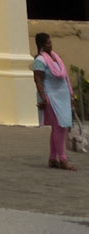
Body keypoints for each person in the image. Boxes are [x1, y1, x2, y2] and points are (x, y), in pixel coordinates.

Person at [33, 31, 76, 171]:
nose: (50, 45)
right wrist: (43, 98)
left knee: (59, 127)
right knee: (59, 126)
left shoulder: (55, 57)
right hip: (51, 97)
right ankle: (62, 159)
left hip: (62, 97)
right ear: (41, 45)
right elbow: (38, 80)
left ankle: (52, 158)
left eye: (50, 42)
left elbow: (64, 78)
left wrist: (70, 96)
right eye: (47, 43)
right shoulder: (40, 60)